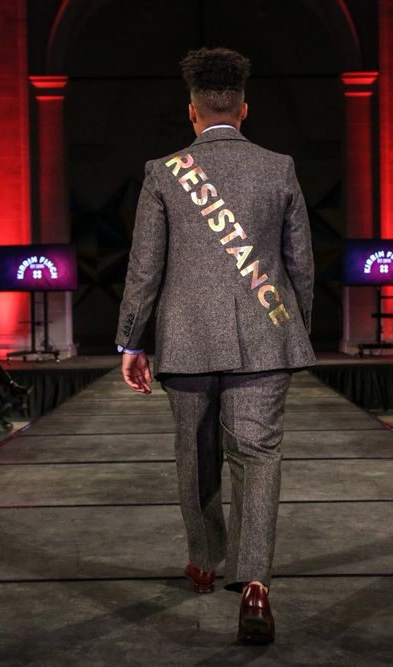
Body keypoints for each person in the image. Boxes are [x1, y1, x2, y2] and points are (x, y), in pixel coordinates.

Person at [115, 48, 315, 645]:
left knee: (195, 455)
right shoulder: (280, 168)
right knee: (258, 458)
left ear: (193, 113)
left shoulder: (164, 171)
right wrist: (291, 328)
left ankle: (207, 561)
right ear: (243, 110)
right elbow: (300, 263)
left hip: (185, 340)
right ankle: (254, 584)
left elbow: (145, 266)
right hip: (266, 337)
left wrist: (132, 339)